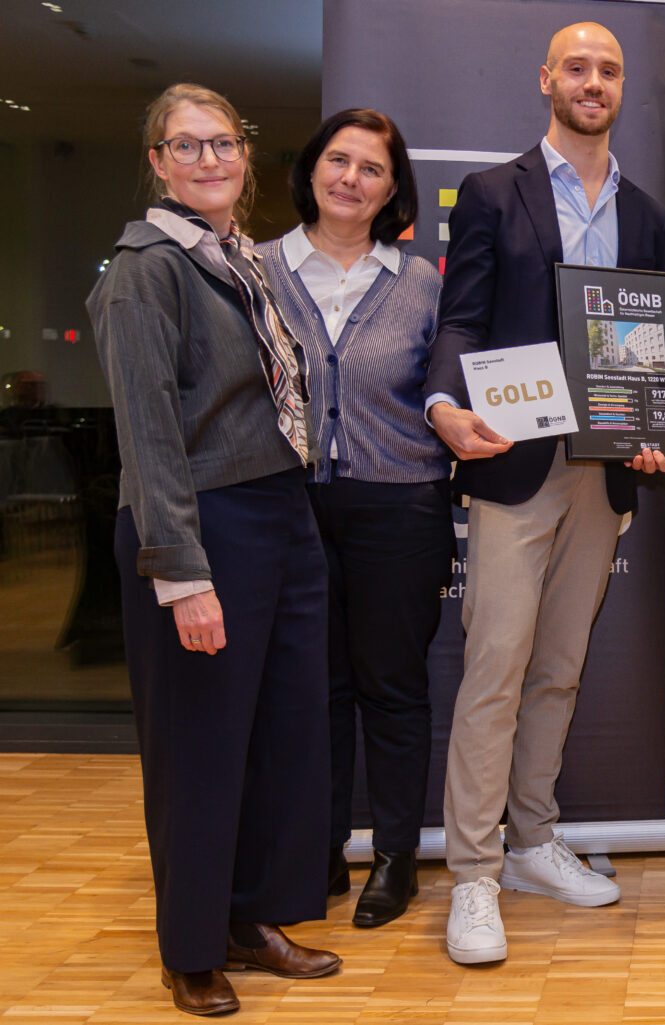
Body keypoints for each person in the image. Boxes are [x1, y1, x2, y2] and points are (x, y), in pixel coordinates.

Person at [422, 22, 665, 965]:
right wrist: (446, 404)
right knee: (494, 667)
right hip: (513, 464)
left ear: (621, 89)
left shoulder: (644, 212)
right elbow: (461, 315)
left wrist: (653, 432)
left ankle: (532, 842)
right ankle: (475, 875)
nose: (594, 81)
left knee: (559, 667)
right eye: (579, 67)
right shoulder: (494, 193)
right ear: (546, 80)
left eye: (609, 70)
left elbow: (648, 348)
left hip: (601, 472)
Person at [86, 83, 339, 1017]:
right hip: (201, 525)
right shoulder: (143, 268)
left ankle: (250, 918)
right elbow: (149, 436)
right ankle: (191, 947)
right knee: (199, 747)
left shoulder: (239, 258)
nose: (209, 161)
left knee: (280, 736)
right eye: (185, 146)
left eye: (223, 144)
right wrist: (182, 575)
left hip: (279, 511)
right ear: (155, 161)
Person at [257, 109, 454, 930]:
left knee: (394, 687)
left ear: (391, 189)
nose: (350, 179)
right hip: (288, 505)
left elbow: (450, 388)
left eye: (371, 169)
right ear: (310, 170)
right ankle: (321, 848)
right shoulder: (257, 268)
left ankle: (398, 857)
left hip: (399, 504)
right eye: (338, 161)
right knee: (312, 688)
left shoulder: (420, 284)